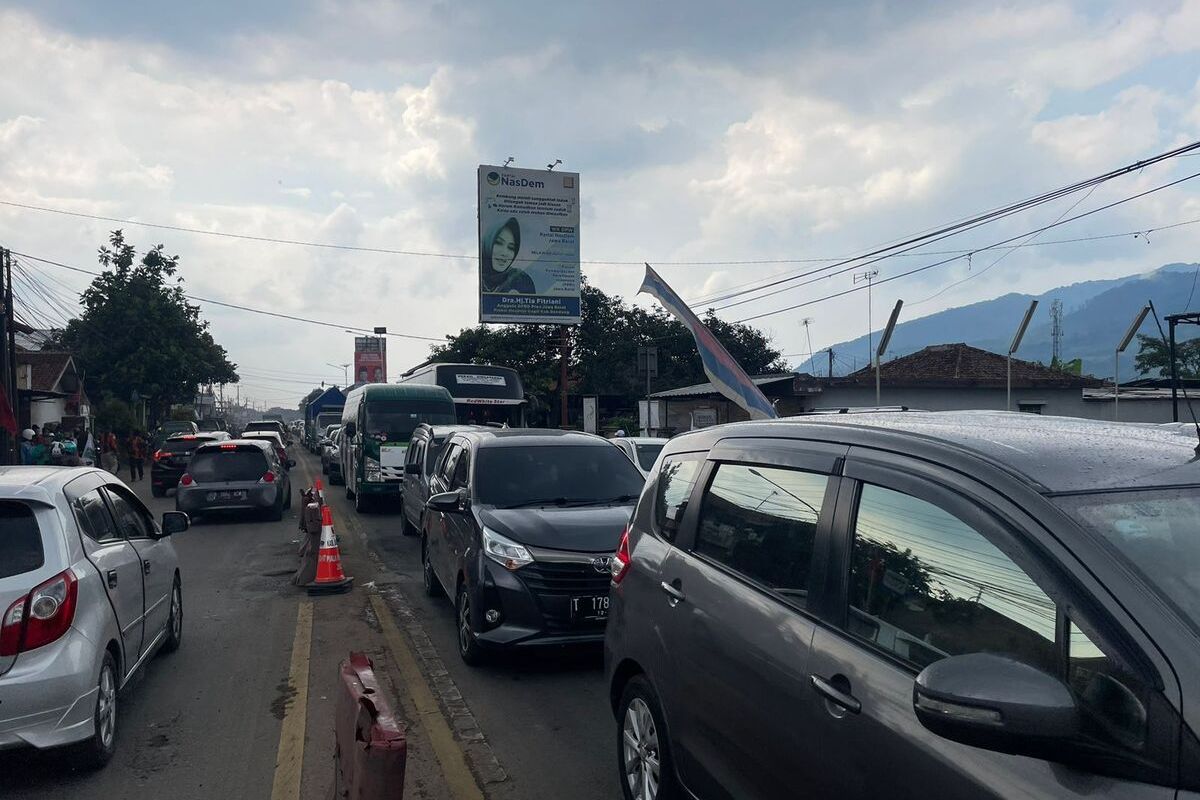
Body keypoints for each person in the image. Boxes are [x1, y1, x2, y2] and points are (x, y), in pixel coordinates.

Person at [480, 217, 535, 294]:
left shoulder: (520, 279)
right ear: (488, 243)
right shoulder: (473, 278)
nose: (504, 253)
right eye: (499, 243)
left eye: (511, 248)